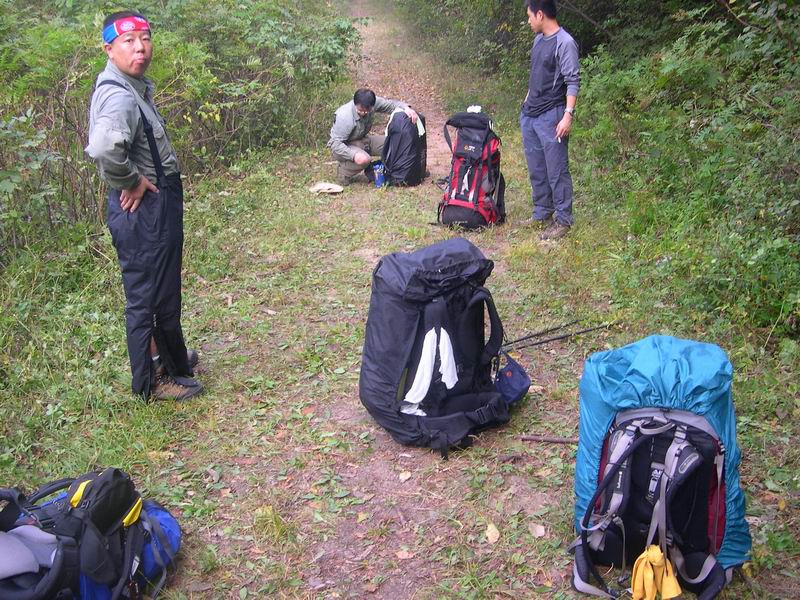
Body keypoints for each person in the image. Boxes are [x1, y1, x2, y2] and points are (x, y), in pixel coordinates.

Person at [86, 11, 203, 401]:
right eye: (129, 41)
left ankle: (171, 359)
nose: (140, 48)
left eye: (145, 38)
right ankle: (152, 379)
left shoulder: (133, 87)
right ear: (109, 48)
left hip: (157, 203)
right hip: (143, 210)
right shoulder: (118, 94)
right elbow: (104, 148)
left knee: (163, 290)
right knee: (147, 297)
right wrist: (132, 181)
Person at [520, 0, 580, 240]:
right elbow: (536, 75)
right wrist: (526, 102)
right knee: (537, 168)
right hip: (530, 115)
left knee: (557, 171)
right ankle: (542, 212)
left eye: (529, 16)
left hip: (552, 116)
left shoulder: (565, 43)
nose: (528, 21)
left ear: (540, 14)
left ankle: (563, 220)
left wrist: (568, 115)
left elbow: (572, 81)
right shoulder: (538, 40)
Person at [327, 88, 418, 184]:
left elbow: (390, 105)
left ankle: (404, 172)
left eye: (367, 110)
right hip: (343, 147)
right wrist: (353, 156)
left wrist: (406, 108)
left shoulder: (372, 102)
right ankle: (343, 172)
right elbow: (335, 144)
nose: (364, 113)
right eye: (360, 110)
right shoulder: (344, 116)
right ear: (355, 103)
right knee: (363, 159)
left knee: (396, 143)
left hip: (362, 140)